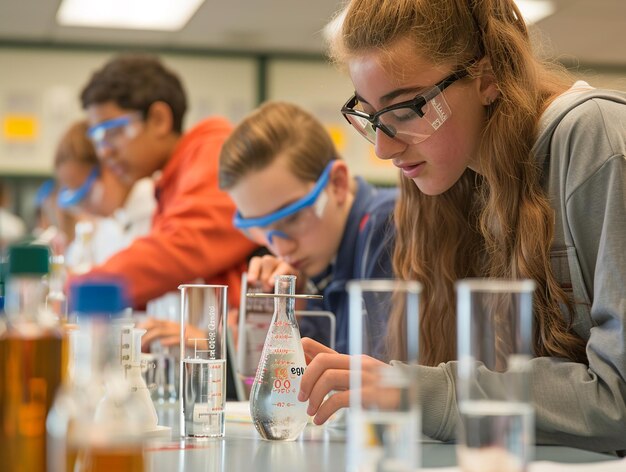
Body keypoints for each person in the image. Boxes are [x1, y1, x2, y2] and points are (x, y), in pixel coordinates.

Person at [297, 0, 626, 454]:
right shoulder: (452, 175)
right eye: (371, 116)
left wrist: (418, 390)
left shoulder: (595, 137)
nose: (383, 150)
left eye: (408, 109)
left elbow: (619, 396)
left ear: (487, 78)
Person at [78, 54, 258, 310]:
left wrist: (79, 290)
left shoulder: (216, 152)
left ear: (159, 119)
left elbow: (177, 251)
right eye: (97, 139)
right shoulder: (172, 178)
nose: (104, 152)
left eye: (112, 132)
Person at [218, 101, 397, 354]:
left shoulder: (388, 226)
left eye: (292, 218)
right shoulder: (319, 262)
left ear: (336, 184)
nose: (281, 248)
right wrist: (288, 319)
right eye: (259, 229)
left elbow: (383, 383)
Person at [53, 120, 156, 265]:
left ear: (110, 166)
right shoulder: (107, 224)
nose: (87, 210)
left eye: (87, 195)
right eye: (77, 203)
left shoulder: (153, 205)